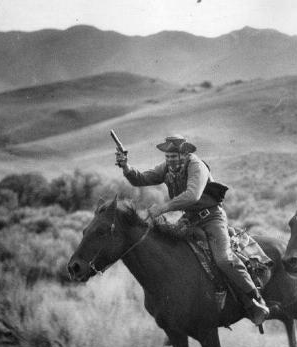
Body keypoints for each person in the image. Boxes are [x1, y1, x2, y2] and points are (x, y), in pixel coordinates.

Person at [115, 134, 270, 326]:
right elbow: (140, 179)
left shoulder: (197, 166)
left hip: (212, 218)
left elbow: (192, 195)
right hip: (189, 220)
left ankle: (255, 300)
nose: (170, 159)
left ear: (185, 154)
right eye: (167, 156)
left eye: (174, 156)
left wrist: (162, 208)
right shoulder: (167, 167)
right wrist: (126, 167)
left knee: (223, 259)